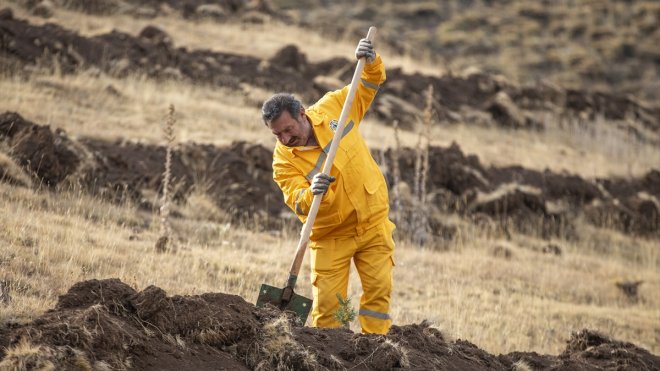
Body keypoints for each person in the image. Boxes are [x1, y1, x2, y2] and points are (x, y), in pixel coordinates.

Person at [261, 38, 395, 335]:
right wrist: (311, 193)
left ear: (302, 114)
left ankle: (377, 351)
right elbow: (295, 200)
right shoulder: (283, 160)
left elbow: (371, 81)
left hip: (373, 221)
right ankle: (334, 359)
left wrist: (370, 60)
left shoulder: (336, 107)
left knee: (378, 296)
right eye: (276, 134)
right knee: (329, 314)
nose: (284, 138)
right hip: (331, 235)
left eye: (288, 129)